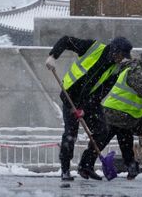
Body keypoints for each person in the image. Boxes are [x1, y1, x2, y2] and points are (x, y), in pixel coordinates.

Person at [77, 47, 142, 180]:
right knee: (102, 140)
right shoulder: (136, 70)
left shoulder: (136, 69)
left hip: (124, 116)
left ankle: (130, 168)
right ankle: (86, 166)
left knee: (124, 143)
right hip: (115, 113)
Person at [46, 35, 133, 181]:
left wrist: (85, 109)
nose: (121, 59)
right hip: (70, 97)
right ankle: (65, 170)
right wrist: (53, 56)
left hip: (89, 101)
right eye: (121, 55)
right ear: (114, 50)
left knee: (102, 131)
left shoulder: (115, 69)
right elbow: (67, 40)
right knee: (70, 134)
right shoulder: (93, 47)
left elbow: (102, 92)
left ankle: (86, 166)